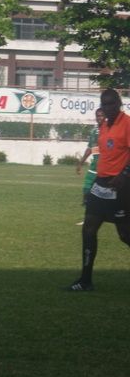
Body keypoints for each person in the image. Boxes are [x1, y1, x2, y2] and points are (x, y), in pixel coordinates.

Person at [69, 89, 130, 291]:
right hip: (100, 185)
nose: (108, 107)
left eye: (112, 103)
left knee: (124, 234)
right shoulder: (103, 126)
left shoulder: (127, 123)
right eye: (105, 104)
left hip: (121, 187)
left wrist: (124, 174)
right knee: (88, 228)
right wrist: (96, 179)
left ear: (119, 103)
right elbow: (105, 154)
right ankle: (85, 280)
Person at [76, 108, 105, 206]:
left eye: (101, 115)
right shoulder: (94, 131)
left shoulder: (109, 129)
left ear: (105, 117)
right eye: (97, 115)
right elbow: (90, 148)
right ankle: (86, 203)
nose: (99, 117)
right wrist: (80, 163)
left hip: (106, 165)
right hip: (94, 165)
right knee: (87, 185)